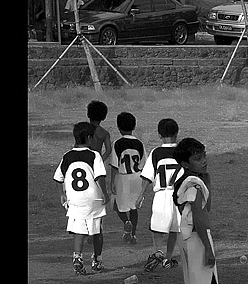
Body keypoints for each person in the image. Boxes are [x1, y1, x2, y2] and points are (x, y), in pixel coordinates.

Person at [173, 137, 222, 284]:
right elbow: (201, 217)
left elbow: (205, 207)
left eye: (204, 156)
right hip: (196, 238)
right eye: (197, 158)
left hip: (191, 236)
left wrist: (207, 181)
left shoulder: (191, 180)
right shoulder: (193, 184)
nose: (203, 161)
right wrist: (209, 249)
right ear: (185, 163)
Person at [53, 121, 108, 275]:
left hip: (74, 199)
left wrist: (62, 195)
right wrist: (105, 193)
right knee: (97, 229)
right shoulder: (94, 155)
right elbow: (100, 176)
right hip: (93, 198)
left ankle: (77, 257)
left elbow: (58, 178)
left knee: (79, 229)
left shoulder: (67, 156)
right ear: (89, 138)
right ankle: (97, 260)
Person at [138, 118, 182, 268]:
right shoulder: (181, 152)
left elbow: (147, 176)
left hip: (161, 195)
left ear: (159, 135)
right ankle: (168, 258)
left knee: (157, 227)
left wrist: (140, 195)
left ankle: (158, 252)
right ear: (177, 133)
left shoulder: (156, 153)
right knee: (174, 227)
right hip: (178, 195)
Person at [107, 112, 145, 250]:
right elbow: (143, 163)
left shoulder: (117, 143)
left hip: (122, 177)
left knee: (118, 205)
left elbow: (115, 165)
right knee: (134, 207)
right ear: (134, 126)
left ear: (118, 127)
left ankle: (126, 221)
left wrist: (112, 182)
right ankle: (133, 234)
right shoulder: (139, 143)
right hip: (136, 176)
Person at [86, 100, 112, 164]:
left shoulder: (83, 129)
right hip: (96, 159)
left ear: (88, 114)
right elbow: (108, 150)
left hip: (83, 160)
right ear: (104, 117)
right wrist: (100, 161)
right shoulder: (104, 133)